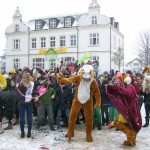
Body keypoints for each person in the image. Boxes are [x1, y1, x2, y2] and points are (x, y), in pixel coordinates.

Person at [57, 64, 101, 142]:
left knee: (89, 118)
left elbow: (97, 92)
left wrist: (98, 102)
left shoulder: (93, 81)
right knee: (72, 116)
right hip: (77, 100)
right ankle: (70, 133)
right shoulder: (78, 77)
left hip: (88, 101)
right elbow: (70, 79)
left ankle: (89, 134)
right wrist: (62, 80)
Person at [106, 73, 142, 146]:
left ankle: (131, 138)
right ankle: (130, 139)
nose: (120, 82)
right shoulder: (127, 86)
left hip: (129, 111)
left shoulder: (129, 87)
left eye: (121, 80)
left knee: (120, 124)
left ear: (125, 80)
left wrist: (116, 88)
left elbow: (126, 92)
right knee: (126, 125)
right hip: (127, 110)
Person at [16, 72, 34, 138]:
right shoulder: (21, 84)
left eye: (26, 77)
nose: (25, 79)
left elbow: (34, 92)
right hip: (21, 103)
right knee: (22, 119)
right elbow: (18, 93)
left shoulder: (32, 84)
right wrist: (17, 88)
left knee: (29, 118)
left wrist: (36, 96)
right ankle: (22, 132)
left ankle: (29, 132)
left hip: (29, 103)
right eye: (24, 77)